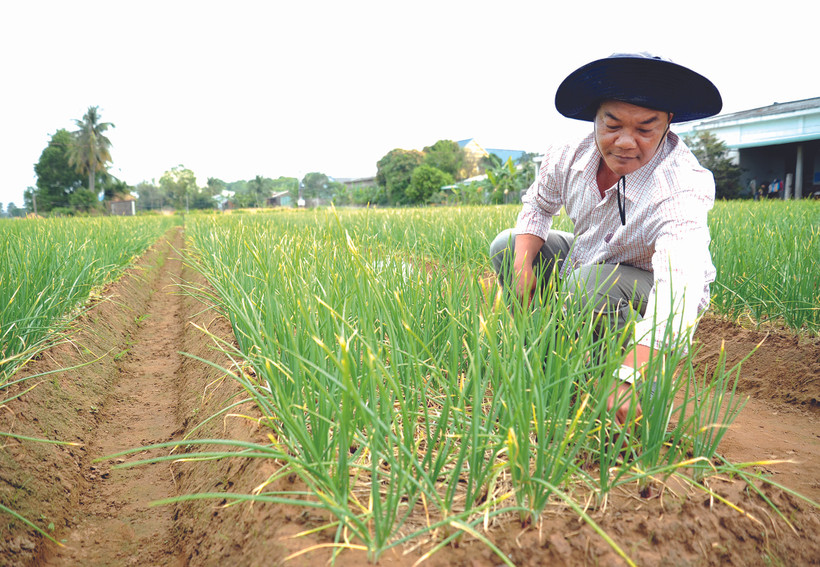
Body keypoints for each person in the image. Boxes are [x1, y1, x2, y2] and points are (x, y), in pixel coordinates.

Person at [489, 52, 722, 425]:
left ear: (667, 123)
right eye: (612, 125)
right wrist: (521, 269)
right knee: (507, 246)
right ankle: (543, 363)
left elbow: (680, 286)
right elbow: (538, 206)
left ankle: (615, 389)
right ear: (594, 118)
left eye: (645, 129)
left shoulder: (681, 184)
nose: (626, 142)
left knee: (590, 285)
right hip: (591, 258)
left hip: (648, 283)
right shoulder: (568, 154)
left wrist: (631, 373)